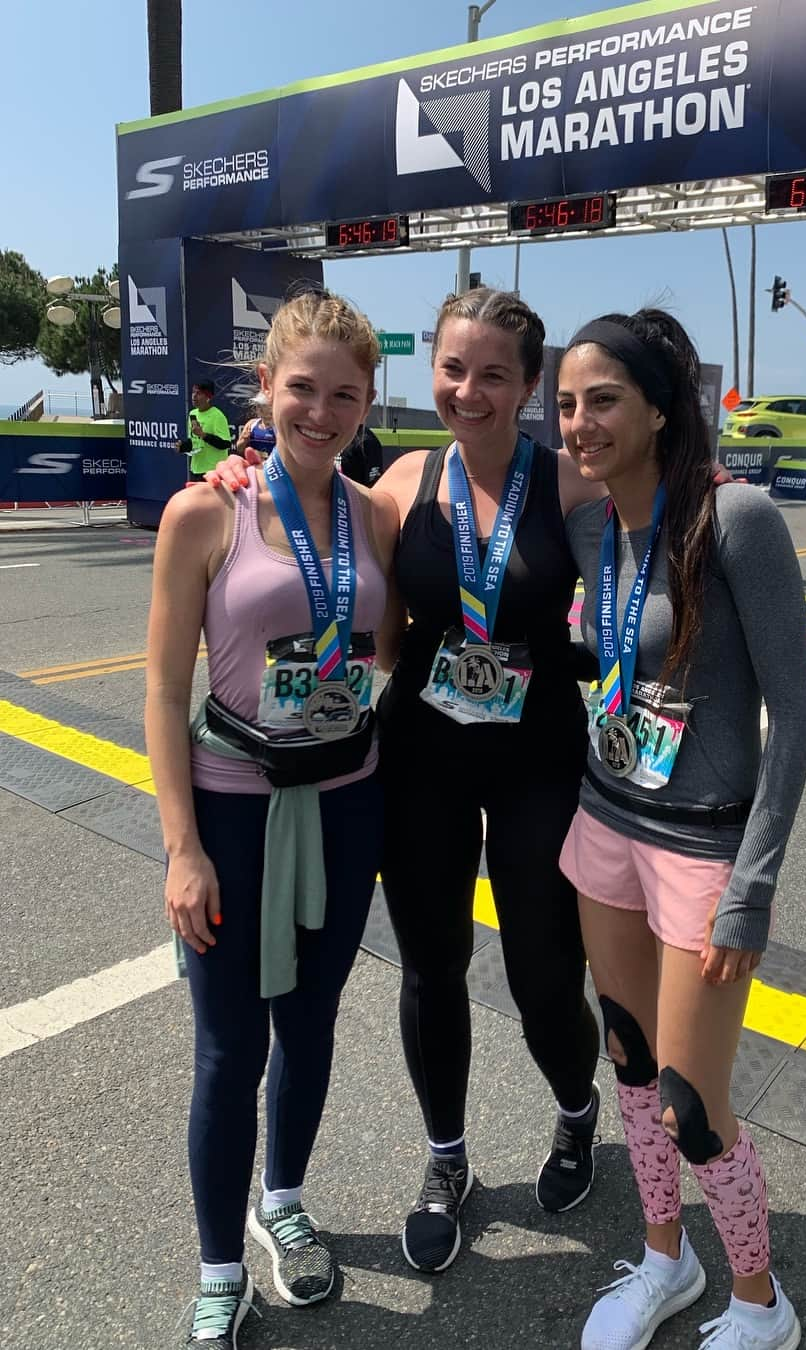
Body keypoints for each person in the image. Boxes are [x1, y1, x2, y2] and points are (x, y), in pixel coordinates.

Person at [211, 287, 605, 1276]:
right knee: (432, 967)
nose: (469, 390)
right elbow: (322, 551)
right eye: (453, 368)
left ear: (528, 386)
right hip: (419, 758)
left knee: (543, 974)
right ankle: (446, 1162)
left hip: (536, 762)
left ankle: (575, 1110)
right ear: (431, 369)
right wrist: (240, 467)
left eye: (494, 374)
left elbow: (656, 540)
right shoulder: (399, 485)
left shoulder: (570, 488)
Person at [556, 309, 806, 1350]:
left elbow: (794, 718)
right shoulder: (590, 524)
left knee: (691, 1100)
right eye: (567, 404)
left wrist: (754, 884)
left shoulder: (736, 517)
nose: (580, 422)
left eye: (604, 400)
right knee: (627, 1064)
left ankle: (762, 1300)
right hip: (605, 821)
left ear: (661, 409)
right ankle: (665, 1256)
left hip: (703, 846)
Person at [146, 288, 397, 1347]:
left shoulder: (377, 511)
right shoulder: (207, 511)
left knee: (312, 1024)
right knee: (226, 1048)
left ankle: (283, 1202)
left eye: (346, 394)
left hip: (346, 806)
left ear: (365, 403)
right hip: (235, 812)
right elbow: (162, 689)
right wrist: (182, 848)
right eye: (303, 388)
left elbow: (388, 649)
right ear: (267, 389)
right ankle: (217, 1269)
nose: (322, 412)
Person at [176, 380, 233, 481]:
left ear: (208, 397)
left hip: (214, 472)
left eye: (199, 393)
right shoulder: (192, 414)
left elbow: (225, 444)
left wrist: (203, 435)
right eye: (193, 392)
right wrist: (183, 447)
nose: (194, 396)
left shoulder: (217, 416)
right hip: (196, 470)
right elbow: (194, 442)